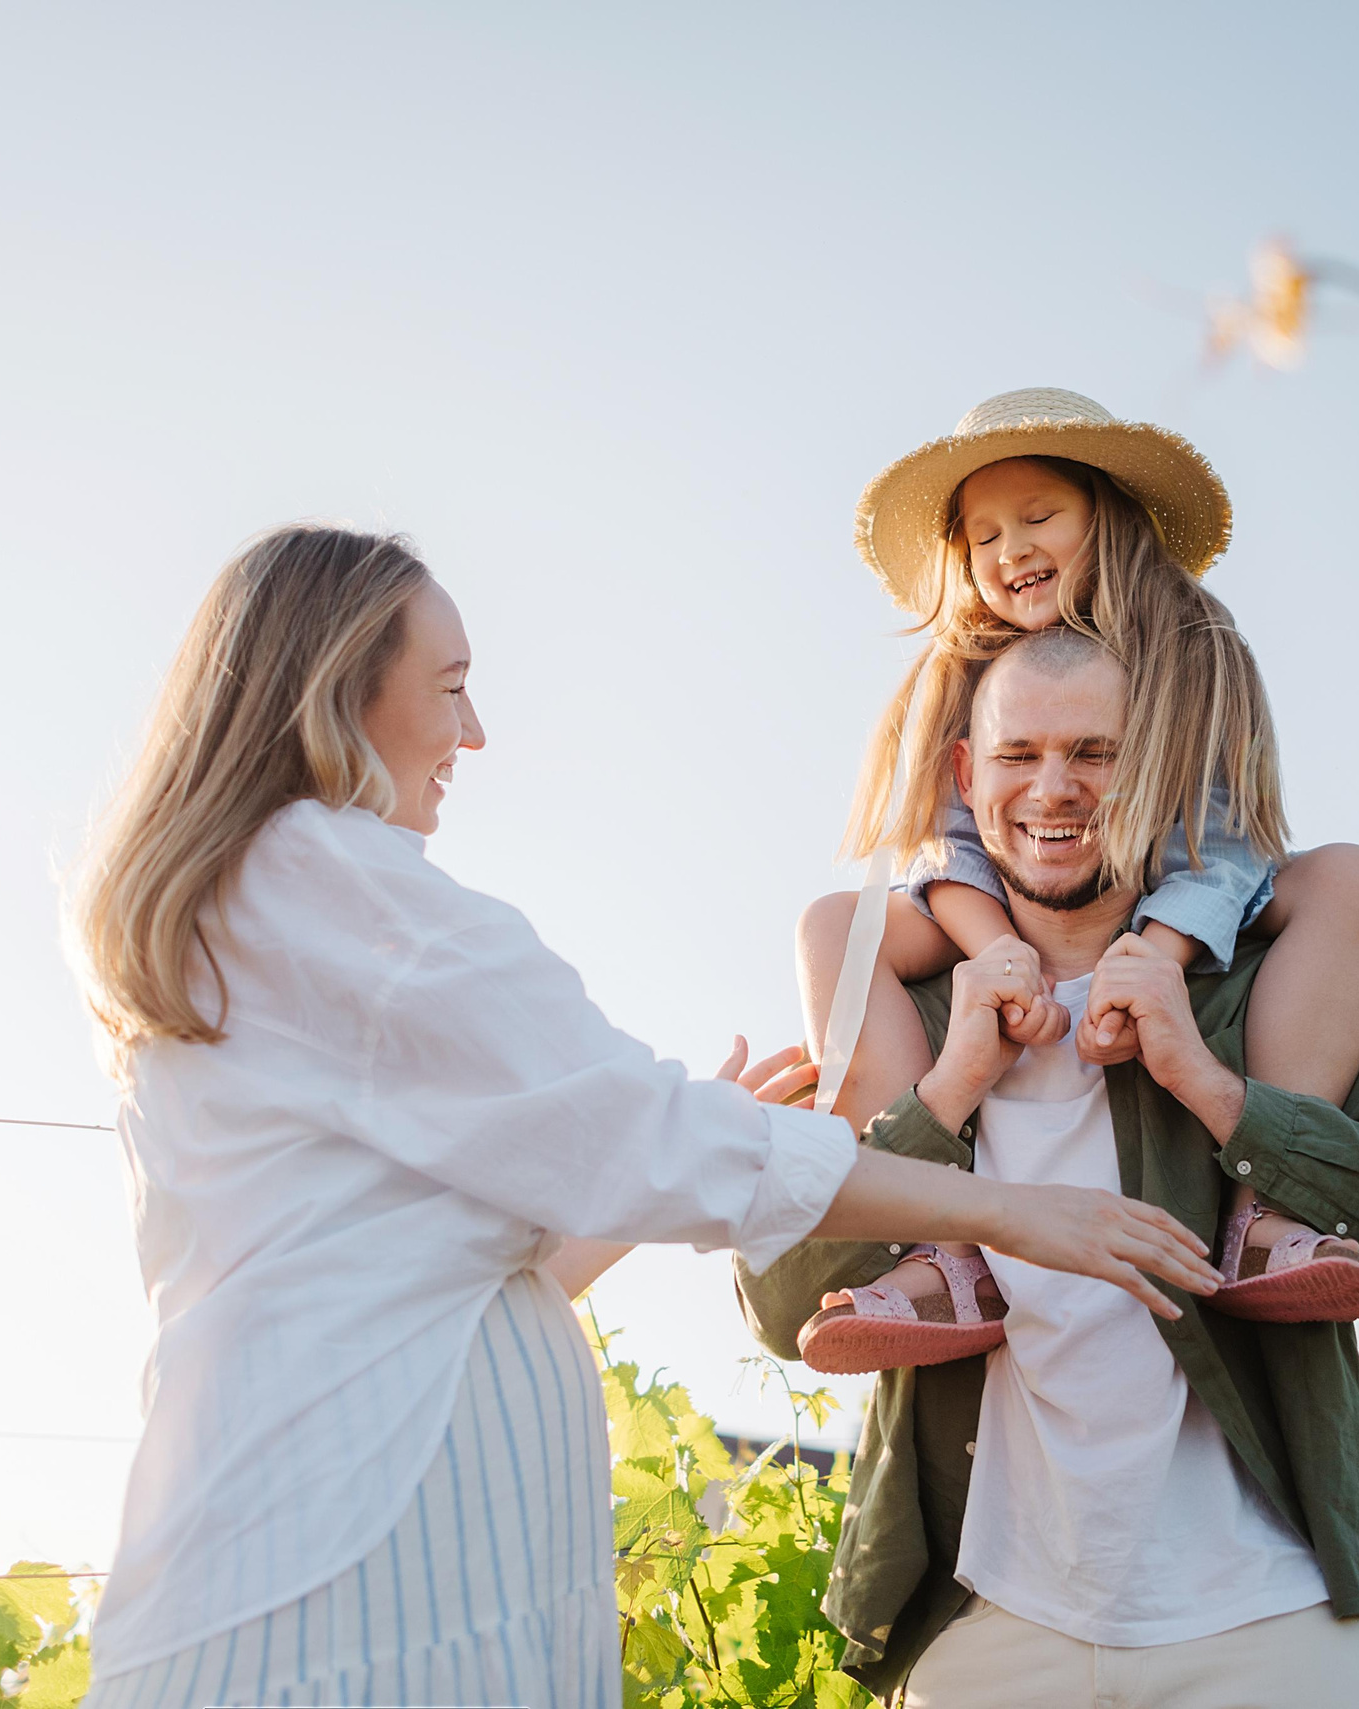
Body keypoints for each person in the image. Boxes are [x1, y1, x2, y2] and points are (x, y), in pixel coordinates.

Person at [66, 525, 1225, 1709]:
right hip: (355, 1586)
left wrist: (672, 1147)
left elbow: (449, 1267)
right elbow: (649, 1140)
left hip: (336, 1570)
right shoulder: (327, 879)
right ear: (341, 684)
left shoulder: (251, 917)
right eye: (452, 688)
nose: (474, 733)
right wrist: (1017, 1213)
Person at [737, 626, 1359, 1706]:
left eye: (1095, 752)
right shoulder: (904, 1009)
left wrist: (1217, 1088)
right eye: (1018, 754)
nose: (1053, 789)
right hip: (982, 1620)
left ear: (1157, 765)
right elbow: (782, 1304)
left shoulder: (1293, 986)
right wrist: (948, 1088)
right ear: (968, 772)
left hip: (1273, 1617)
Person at [795, 388, 1359, 1374]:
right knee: (835, 927)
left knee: (1346, 879)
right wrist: (994, 947)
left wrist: (1152, 952)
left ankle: (1269, 1206)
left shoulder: (1194, 648)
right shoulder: (965, 669)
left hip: (1183, 887)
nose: (1010, 549)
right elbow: (942, 842)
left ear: (1105, 517)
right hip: (1005, 900)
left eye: (1039, 517)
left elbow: (1229, 830)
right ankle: (935, 1245)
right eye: (983, 533)